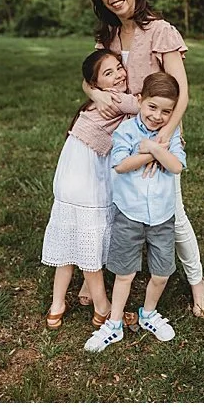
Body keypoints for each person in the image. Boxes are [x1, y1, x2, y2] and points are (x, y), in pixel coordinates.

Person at [84, 0, 204, 319]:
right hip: (118, 135)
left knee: (174, 214)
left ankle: (197, 282)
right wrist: (95, 94)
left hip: (158, 133)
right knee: (113, 204)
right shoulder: (107, 35)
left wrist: (161, 144)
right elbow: (90, 76)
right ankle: (94, 273)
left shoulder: (160, 31)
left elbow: (182, 94)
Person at [84, 71, 187, 352]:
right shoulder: (126, 131)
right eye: (152, 107)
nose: (157, 116)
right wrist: (154, 154)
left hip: (162, 216)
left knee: (163, 272)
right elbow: (120, 164)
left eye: (167, 111)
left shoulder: (170, 133)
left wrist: (152, 145)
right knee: (125, 273)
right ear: (140, 100)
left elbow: (177, 166)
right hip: (129, 213)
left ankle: (149, 313)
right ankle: (114, 323)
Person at [42, 48, 141, 329]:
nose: (120, 73)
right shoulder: (116, 100)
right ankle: (103, 308)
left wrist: (94, 89)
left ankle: (56, 307)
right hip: (86, 179)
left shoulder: (97, 97)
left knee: (69, 246)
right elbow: (139, 106)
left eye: (119, 67)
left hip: (70, 175)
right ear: (96, 85)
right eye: (109, 73)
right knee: (89, 247)